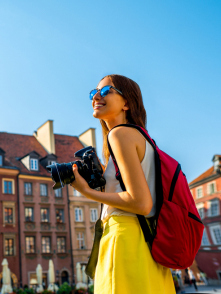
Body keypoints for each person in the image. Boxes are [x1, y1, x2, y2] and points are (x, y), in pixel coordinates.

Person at [70, 74, 176, 294]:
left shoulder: (120, 135)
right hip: (146, 243)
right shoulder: (142, 138)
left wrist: (87, 191)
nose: (96, 96)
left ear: (127, 102)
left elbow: (140, 202)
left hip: (124, 241)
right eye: (93, 92)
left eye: (106, 91)